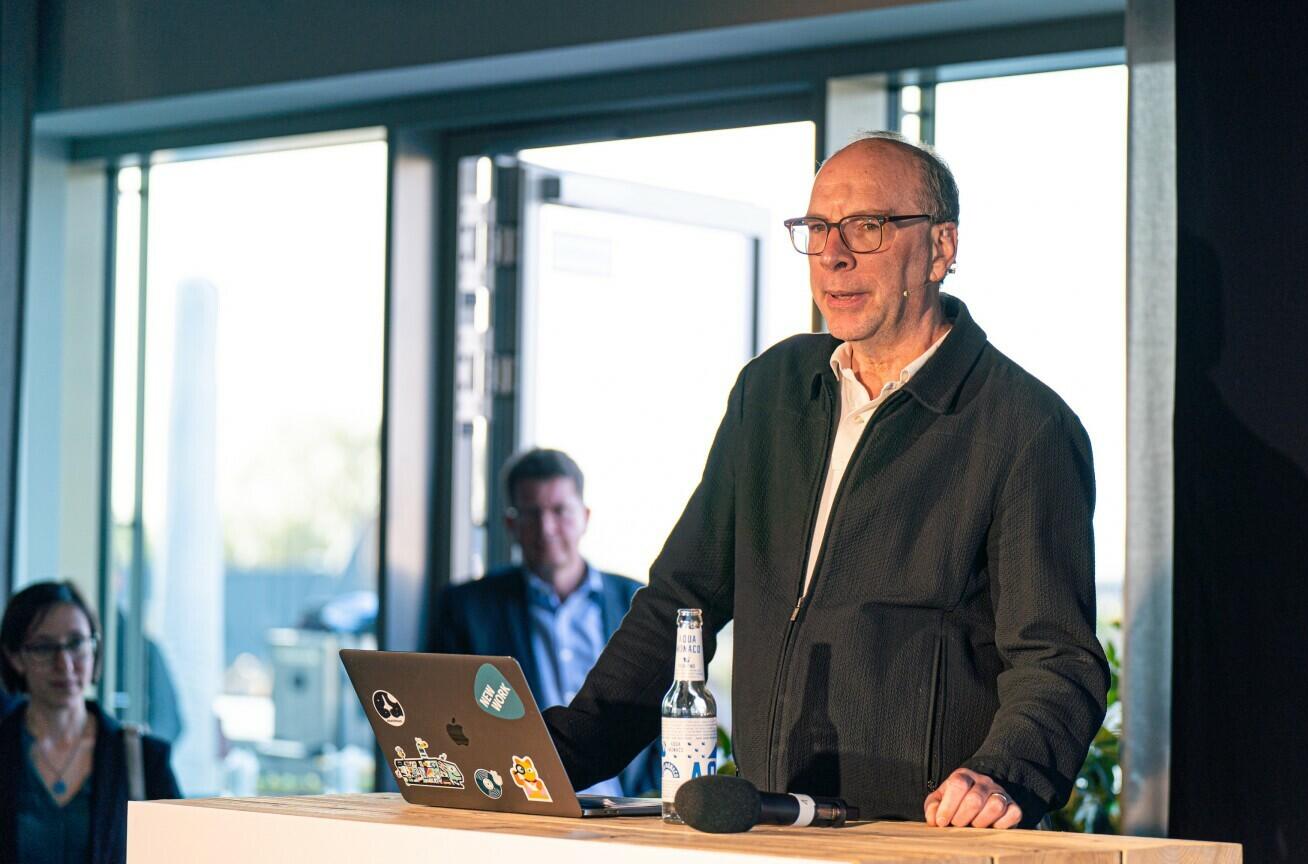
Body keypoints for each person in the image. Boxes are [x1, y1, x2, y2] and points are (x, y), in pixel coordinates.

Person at [543, 133, 1108, 828]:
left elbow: (1057, 658)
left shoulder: (1024, 427)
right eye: (816, 229)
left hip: (918, 840)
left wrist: (1003, 776)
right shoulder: (771, 391)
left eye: (866, 228)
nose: (833, 254)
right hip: (770, 825)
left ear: (941, 249)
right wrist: (557, 757)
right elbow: (679, 604)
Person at [428, 448, 660, 798]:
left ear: (584, 516)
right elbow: (444, 717)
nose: (546, 528)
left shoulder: (637, 601)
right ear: (511, 525)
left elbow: (668, 705)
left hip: (627, 807)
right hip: (520, 802)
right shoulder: (468, 608)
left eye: (559, 511)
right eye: (531, 513)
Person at [1, 581, 181, 863]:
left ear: (94, 648)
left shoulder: (144, 759)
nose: (64, 664)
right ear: (15, 658)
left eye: (76, 644)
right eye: (44, 647)